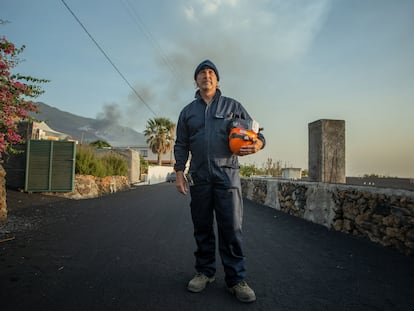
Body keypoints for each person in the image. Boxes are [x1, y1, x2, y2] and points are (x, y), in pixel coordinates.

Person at [174, 60, 265, 303]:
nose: (207, 76)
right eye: (202, 73)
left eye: (211, 72)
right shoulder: (187, 112)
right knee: (202, 226)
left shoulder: (233, 106)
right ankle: (205, 272)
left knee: (231, 228)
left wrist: (258, 143)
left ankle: (236, 279)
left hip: (228, 175)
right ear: (196, 81)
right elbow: (181, 144)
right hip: (200, 176)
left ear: (217, 80)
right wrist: (179, 172)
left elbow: (257, 132)